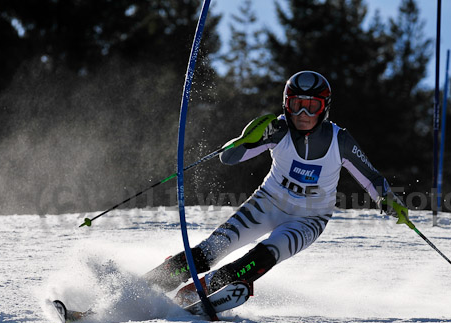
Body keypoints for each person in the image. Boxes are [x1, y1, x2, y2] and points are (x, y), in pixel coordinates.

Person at [144, 70, 408, 304]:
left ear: (324, 108)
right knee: (210, 250)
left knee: (265, 255)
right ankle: (148, 284)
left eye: (311, 106)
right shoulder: (277, 130)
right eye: (296, 106)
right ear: (286, 104)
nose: (302, 115)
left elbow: (371, 178)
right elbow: (228, 157)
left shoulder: (340, 140)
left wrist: (387, 200)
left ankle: (202, 289)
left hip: (309, 219)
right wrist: (249, 137)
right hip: (267, 203)